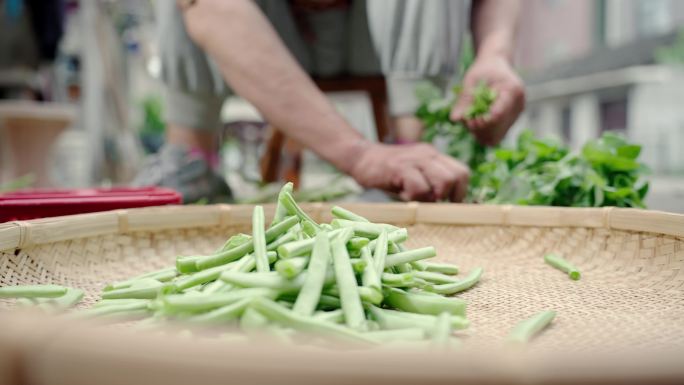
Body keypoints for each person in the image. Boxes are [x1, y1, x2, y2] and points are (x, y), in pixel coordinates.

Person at [134, 0, 524, 203]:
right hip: (264, 36)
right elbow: (215, 11)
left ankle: (414, 166)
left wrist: (494, 52)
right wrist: (359, 156)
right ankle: (192, 162)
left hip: (375, 35)